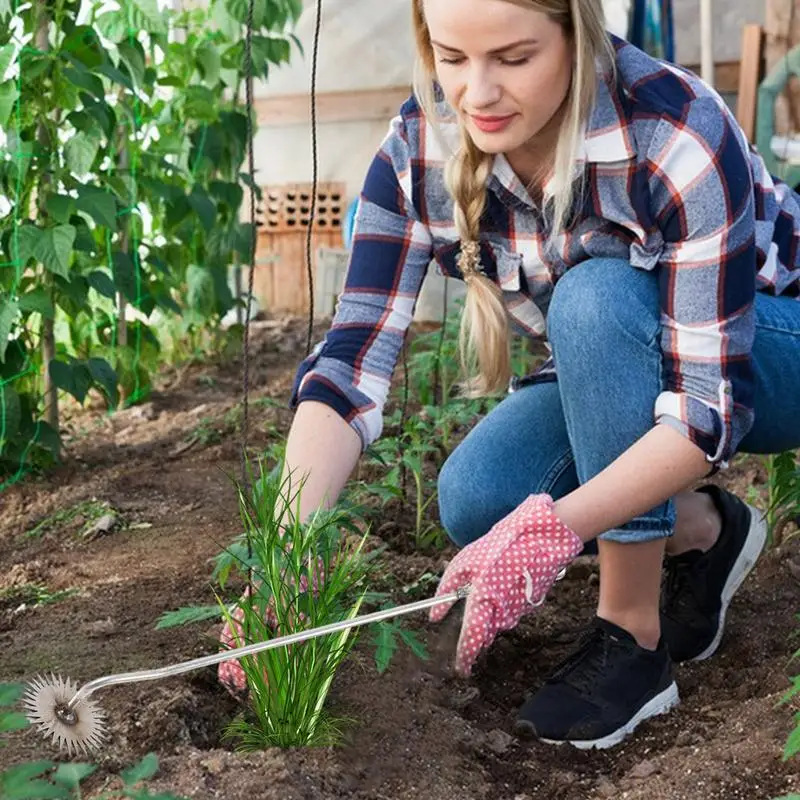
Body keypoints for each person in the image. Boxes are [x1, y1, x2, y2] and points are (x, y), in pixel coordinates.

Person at [224, 0, 800, 750]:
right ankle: (703, 534)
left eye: (514, 58)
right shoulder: (419, 151)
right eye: (452, 57)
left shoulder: (670, 129)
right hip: (649, 357)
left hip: (770, 349)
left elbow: (705, 413)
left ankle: (632, 639)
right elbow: (348, 365)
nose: (477, 94)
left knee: (596, 296)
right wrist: (288, 553)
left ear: (576, 32)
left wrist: (557, 530)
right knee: (481, 499)